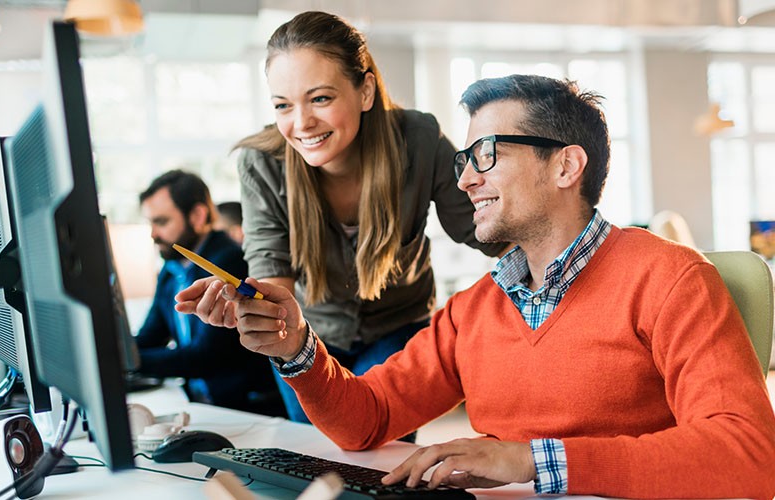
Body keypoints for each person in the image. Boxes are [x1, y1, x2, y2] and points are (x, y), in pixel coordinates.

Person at [177, 74, 775, 498]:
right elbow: (369, 418)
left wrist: (530, 459)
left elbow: (748, 452)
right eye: (464, 158)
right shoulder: (474, 309)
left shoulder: (670, 278)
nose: (463, 180)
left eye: (485, 154)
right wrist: (296, 347)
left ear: (566, 166)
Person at [189, 11, 504, 426]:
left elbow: (486, 231)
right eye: (283, 105)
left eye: (320, 98)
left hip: (397, 327)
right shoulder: (262, 162)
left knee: (380, 450)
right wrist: (252, 309)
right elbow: (271, 274)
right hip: (308, 334)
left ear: (365, 91)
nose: (302, 123)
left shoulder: (418, 140)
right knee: (316, 452)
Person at [136, 169, 284, 417]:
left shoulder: (228, 261)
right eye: (150, 223)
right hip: (200, 403)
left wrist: (128, 362)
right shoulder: (171, 270)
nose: (153, 234)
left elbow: (206, 357)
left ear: (197, 216)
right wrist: (111, 353)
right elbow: (151, 336)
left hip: (244, 409)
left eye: (161, 222)